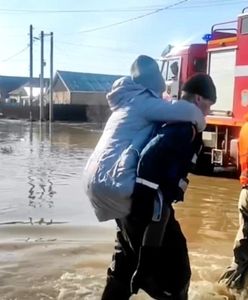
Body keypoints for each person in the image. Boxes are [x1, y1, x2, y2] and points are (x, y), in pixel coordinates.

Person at [99, 74, 217, 300]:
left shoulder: (164, 117)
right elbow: (151, 161)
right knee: (178, 277)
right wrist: (145, 210)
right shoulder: (184, 127)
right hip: (148, 208)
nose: (208, 112)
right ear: (199, 99)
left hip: (128, 203)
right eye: (209, 106)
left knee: (123, 272)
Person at [84, 55, 205, 224]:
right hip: (117, 185)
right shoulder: (143, 102)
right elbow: (191, 113)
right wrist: (200, 125)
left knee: (127, 240)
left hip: (95, 182)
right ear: (155, 85)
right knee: (164, 238)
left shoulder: (124, 104)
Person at [218, 114, 248, 290]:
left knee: (243, 252)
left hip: (245, 192)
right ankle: (224, 290)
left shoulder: (245, 127)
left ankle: (227, 290)